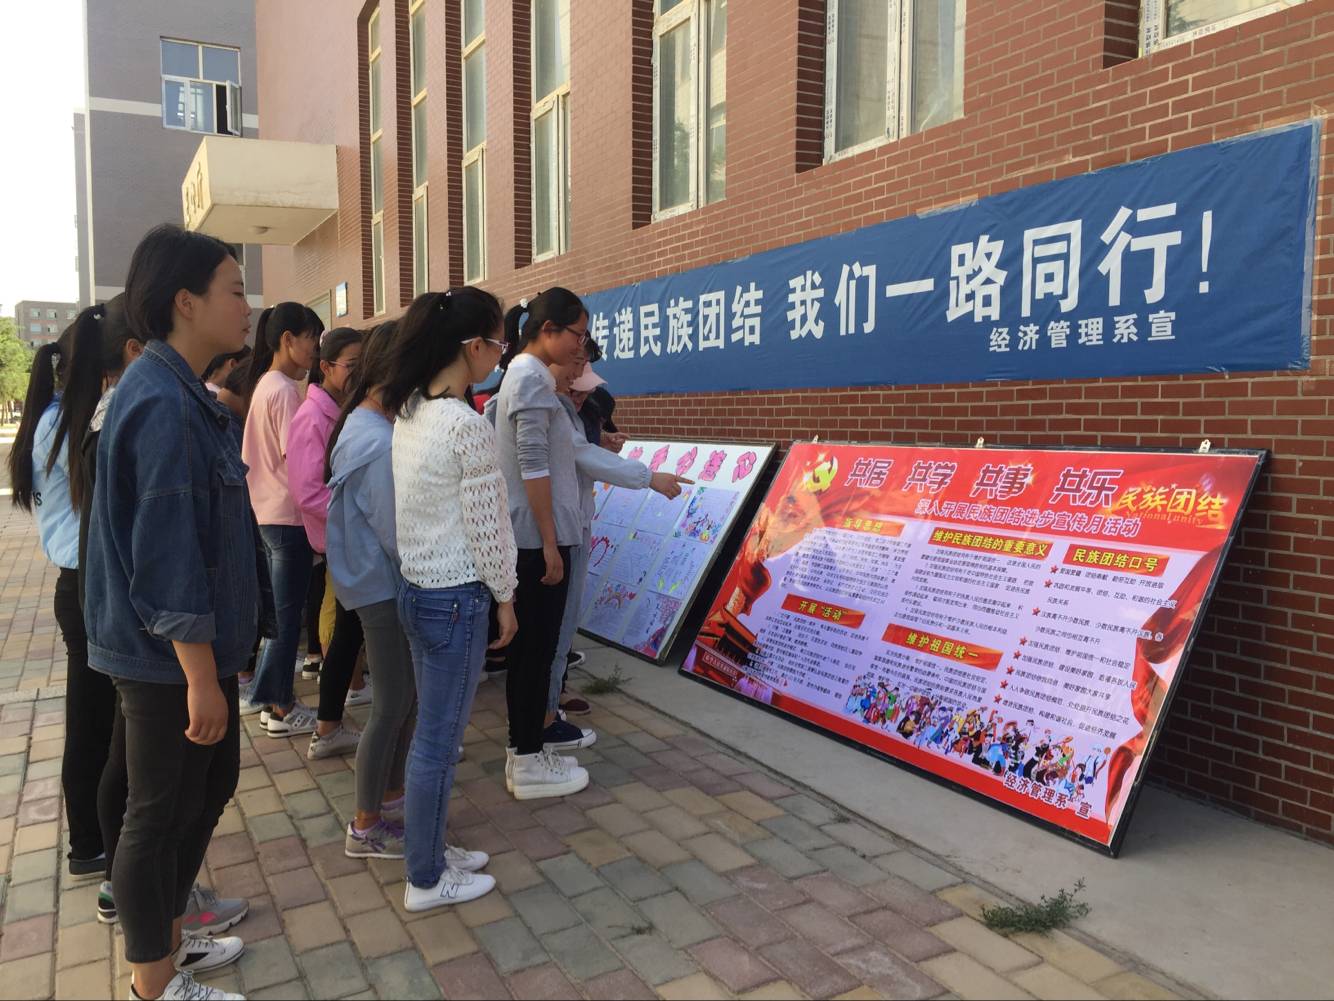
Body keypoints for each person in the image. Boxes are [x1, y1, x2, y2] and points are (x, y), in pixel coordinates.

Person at [84, 223, 257, 1001]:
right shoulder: (162, 403)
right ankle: (153, 982)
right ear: (186, 302)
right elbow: (167, 552)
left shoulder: (178, 392)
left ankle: (172, 941)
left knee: (205, 787)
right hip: (164, 656)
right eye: (235, 290)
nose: (247, 306)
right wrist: (200, 676)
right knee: (156, 813)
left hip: (176, 649)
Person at [387, 288, 518, 909]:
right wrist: (507, 596)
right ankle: (426, 877)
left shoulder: (410, 412)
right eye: (498, 343)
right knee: (438, 744)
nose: (501, 354)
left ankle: (430, 850)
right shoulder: (465, 425)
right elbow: (489, 528)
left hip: (417, 590)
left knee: (432, 737)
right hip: (456, 597)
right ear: (473, 347)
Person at [6, 305, 134, 881]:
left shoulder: (59, 419)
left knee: (97, 718)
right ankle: (91, 844)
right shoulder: (66, 426)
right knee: (95, 722)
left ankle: (94, 841)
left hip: (83, 584)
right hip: (87, 586)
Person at [492, 288, 593, 800]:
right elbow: (533, 466)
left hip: (537, 537)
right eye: (578, 335)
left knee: (535, 651)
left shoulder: (526, 375)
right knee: (534, 653)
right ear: (548, 330)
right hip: (535, 542)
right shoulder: (531, 379)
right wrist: (551, 543)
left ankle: (527, 750)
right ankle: (528, 760)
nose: (582, 347)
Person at [325, 320, 419, 858]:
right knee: (391, 703)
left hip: (374, 580)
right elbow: (395, 530)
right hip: (381, 584)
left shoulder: (366, 423)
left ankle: (390, 794)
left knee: (402, 698)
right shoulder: (377, 440)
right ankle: (366, 823)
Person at [239, 301, 323, 734]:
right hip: (287, 518)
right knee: (286, 618)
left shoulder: (265, 385)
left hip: (265, 512)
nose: (315, 350)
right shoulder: (286, 391)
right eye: (312, 340)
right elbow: (299, 460)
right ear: (288, 340)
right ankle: (280, 707)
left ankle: (271, 698)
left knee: (279, 615)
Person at [287, 326, 367, 759]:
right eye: (352, 365)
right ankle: (328, 726)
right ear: (326, 367)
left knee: (349, 632)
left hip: (348, 535)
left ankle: (329, 724)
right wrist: (356, 513)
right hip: (341, 537)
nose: (359, 373)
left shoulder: (337, 411)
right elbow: (308, 492)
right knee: (345, 631)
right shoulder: (312, 417)